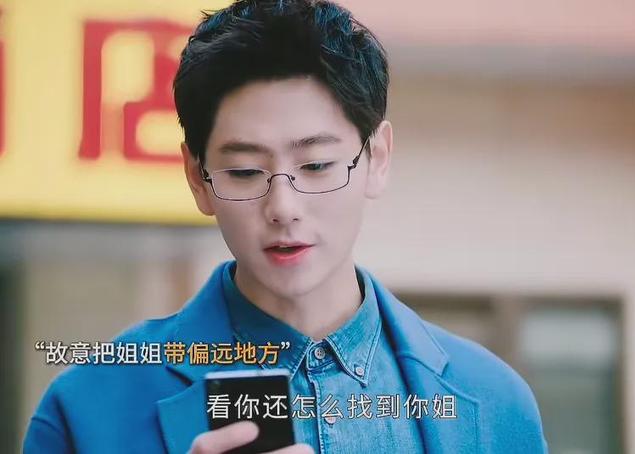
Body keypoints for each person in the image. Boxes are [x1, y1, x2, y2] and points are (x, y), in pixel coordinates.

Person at [24, 0, 548, 452]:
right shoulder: (87, 408)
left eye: (316, 165)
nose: (283, 206)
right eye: (245, 171)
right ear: (197, 178)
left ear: (378, 158)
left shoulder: (496, 406)